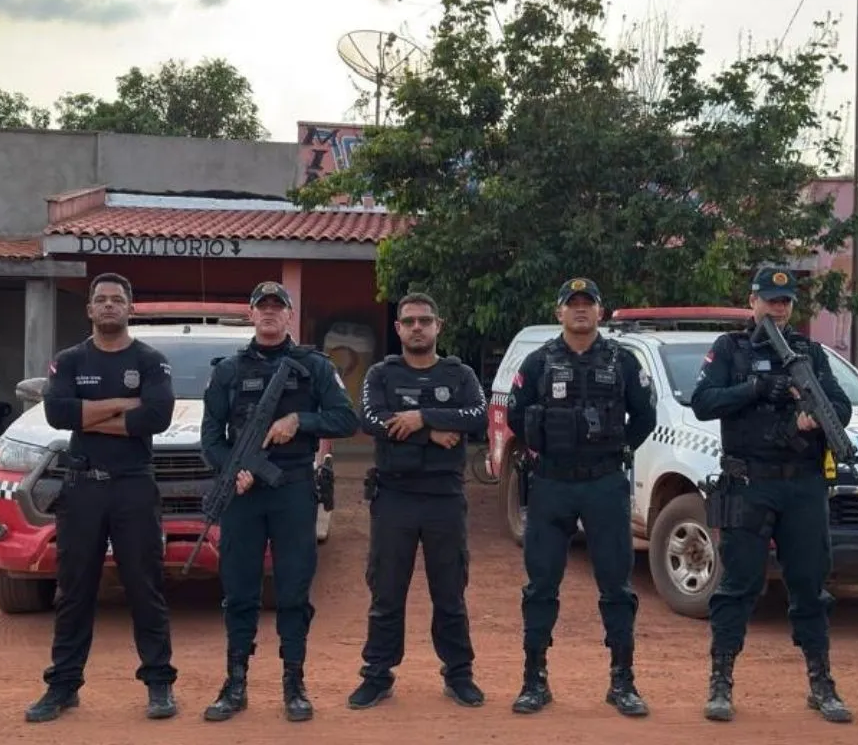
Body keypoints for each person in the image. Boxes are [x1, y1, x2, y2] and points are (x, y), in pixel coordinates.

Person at [689, 265, 853, 724]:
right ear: (752, 302)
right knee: (738, 584)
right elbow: (703, 402)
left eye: (785, 302)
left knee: (809, 584)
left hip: (802, 483)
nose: (778, 308)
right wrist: (758, 387)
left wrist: (810, 412)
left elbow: (839, 406)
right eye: (770, 300)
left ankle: (821, 682)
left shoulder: (809, 352)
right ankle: (721, 681)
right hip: (750, 482)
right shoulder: (730, 348)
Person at [200, 280, 360, 723]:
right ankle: (235, 683)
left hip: (292, 489)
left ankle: (294, 682)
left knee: (292, 589)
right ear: (251, 315)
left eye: (277, 306)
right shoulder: (228, 371)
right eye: (261, 307)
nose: (269, 313)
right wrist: (233, 469)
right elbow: (210, 438)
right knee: (239, 590)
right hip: (244, 494)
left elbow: (347, 419)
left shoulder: (313, 367)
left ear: (288, 315)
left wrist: (300, 420)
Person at [24, 273, 179, 723]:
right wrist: (124, 404)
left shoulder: (151, 360)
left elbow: (158, 415)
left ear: (129, 308)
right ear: (90, 309)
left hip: (133, 485)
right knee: (74, 589)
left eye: (117, 299)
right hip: (82, 487)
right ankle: (63, 686)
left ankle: (159, 683)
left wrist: (90, 414)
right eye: (101, 300)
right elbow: (57, 413)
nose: (109, 305)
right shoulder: (71, 359)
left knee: (145, 586)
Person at [506, 277, 656, 717]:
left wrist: (618, 449)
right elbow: (516, 414)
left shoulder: (623, 361)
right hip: (551, 484)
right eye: (572, 304)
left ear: (600, 312)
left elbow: (645, 416)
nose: (580, 310)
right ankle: (534, 680)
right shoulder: (537, 362)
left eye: (587, 303)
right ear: (559, 313)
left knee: (616, 584)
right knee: (541, 586)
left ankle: (622, 681)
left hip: (604, 484)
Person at [348, 292, 488, 709]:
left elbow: (477, 416)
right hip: (395, 497)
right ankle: (377, 674)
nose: (417, 328)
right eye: (409, 321)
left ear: (438, 326)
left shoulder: (459, 374)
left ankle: (458, 674)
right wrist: (430, 433)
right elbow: (370, 419)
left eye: (425, 321)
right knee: (386, 591)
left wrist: (421, 417)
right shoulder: (381, 375)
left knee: (450, 590)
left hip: (444, 497)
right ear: (398, 329)